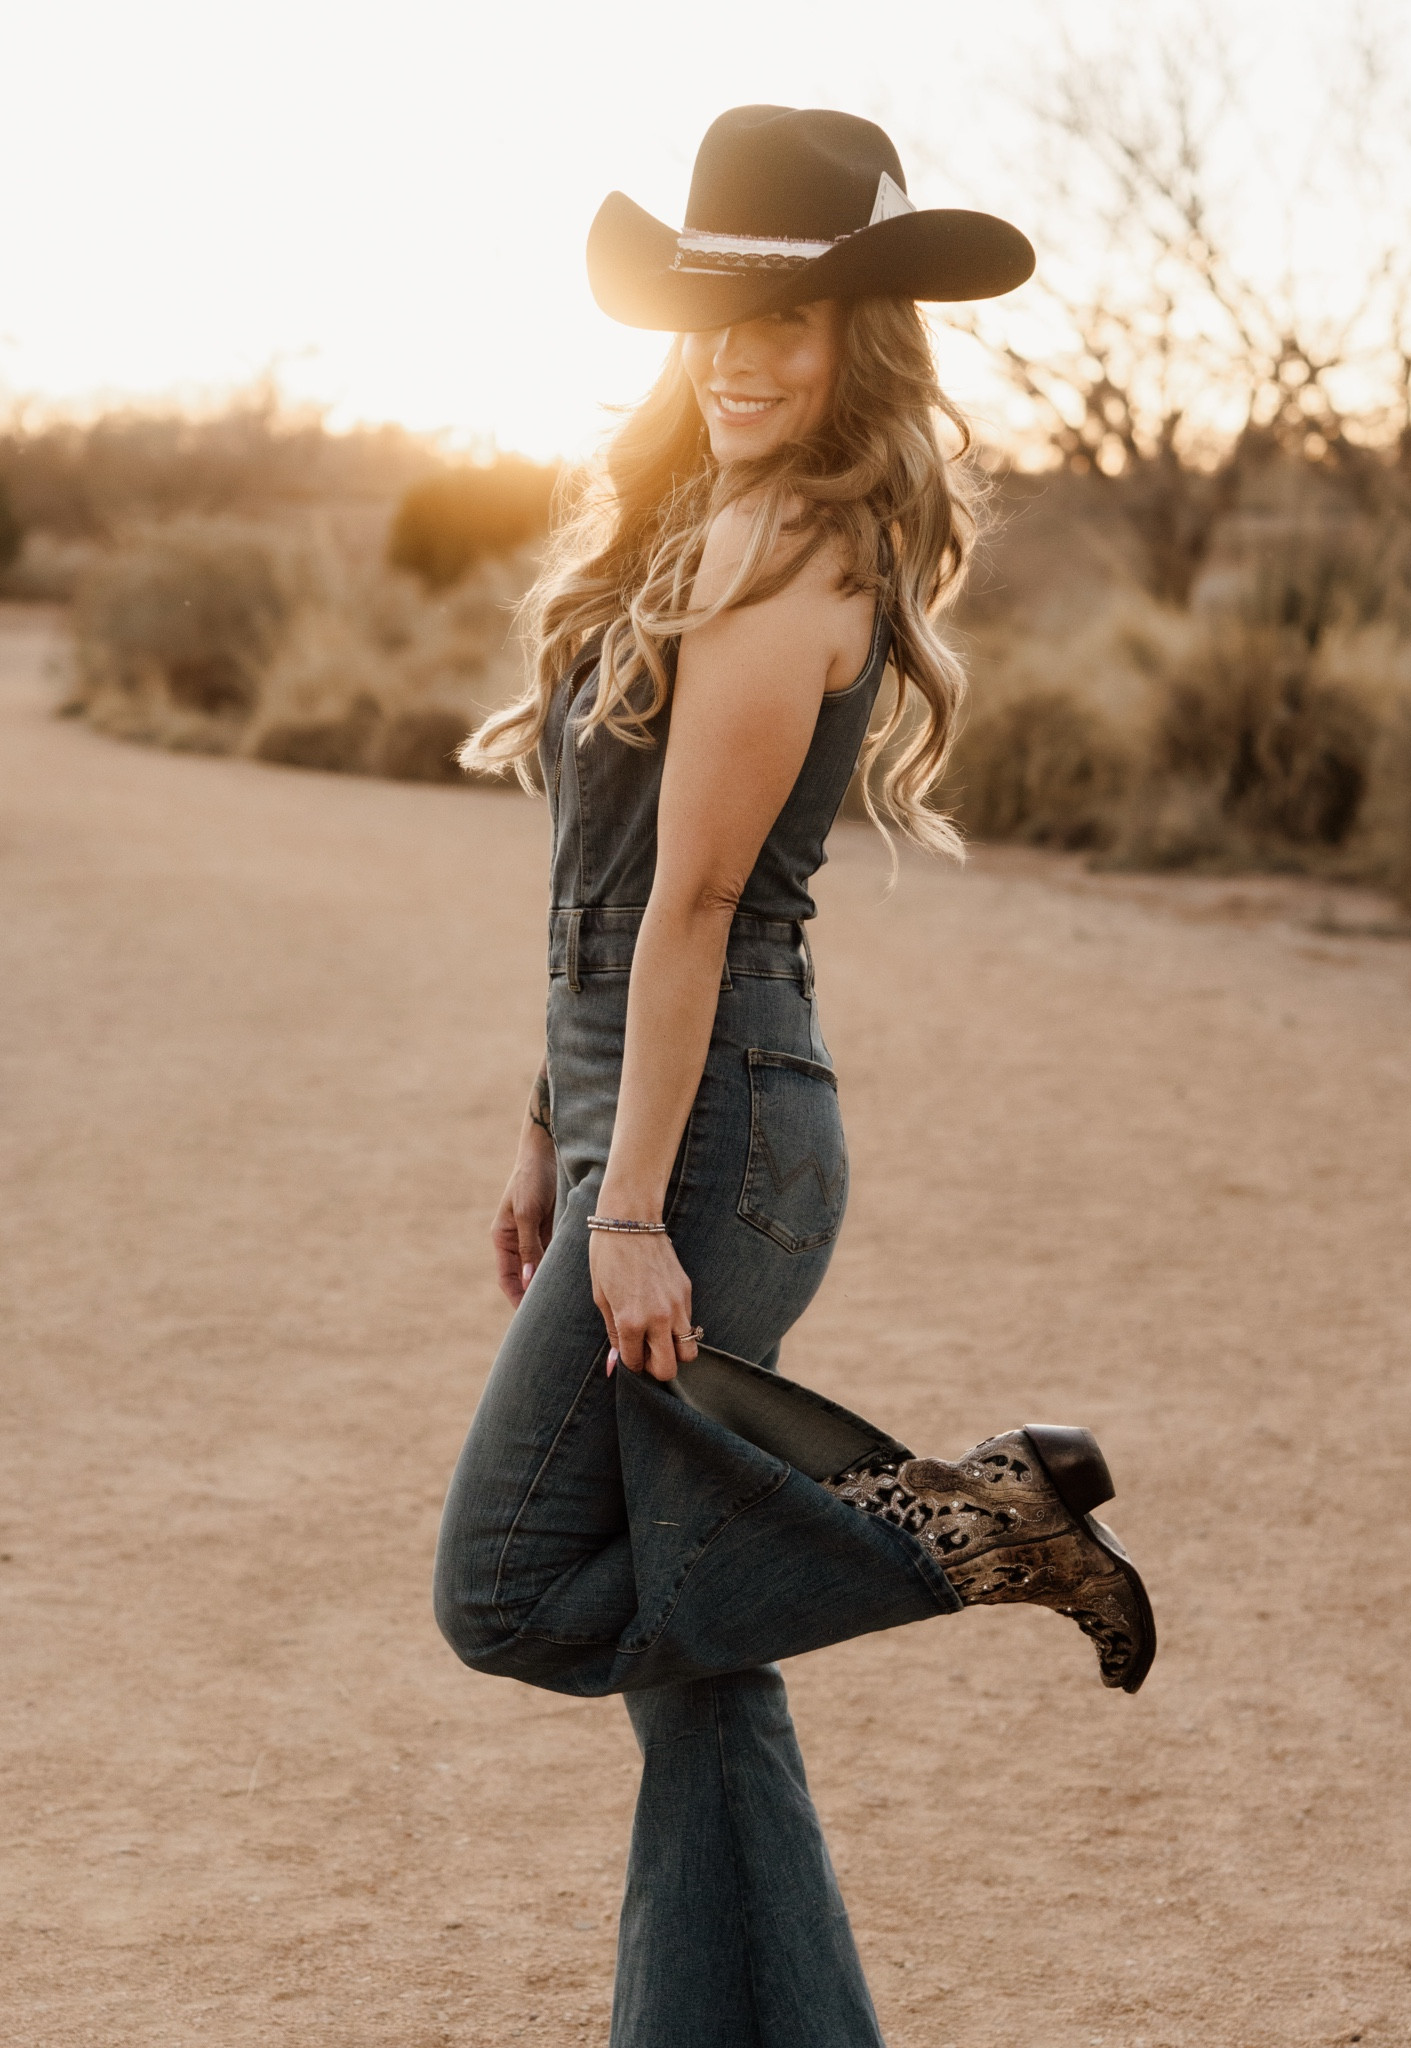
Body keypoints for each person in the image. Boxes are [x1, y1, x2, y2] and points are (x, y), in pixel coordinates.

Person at [434, 105, 1155, 2048]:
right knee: (690, 1615)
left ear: (862, 344)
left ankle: (976, 1526)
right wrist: (548, 1124)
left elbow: (693, 903)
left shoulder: (795, 541)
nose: (745, 354)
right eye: (715, 314)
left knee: (507, 1591)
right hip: (644, 1112)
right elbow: (594, 885)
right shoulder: (691, 521)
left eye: (797, 318)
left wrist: (637, 1201)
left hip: (721, 1135)